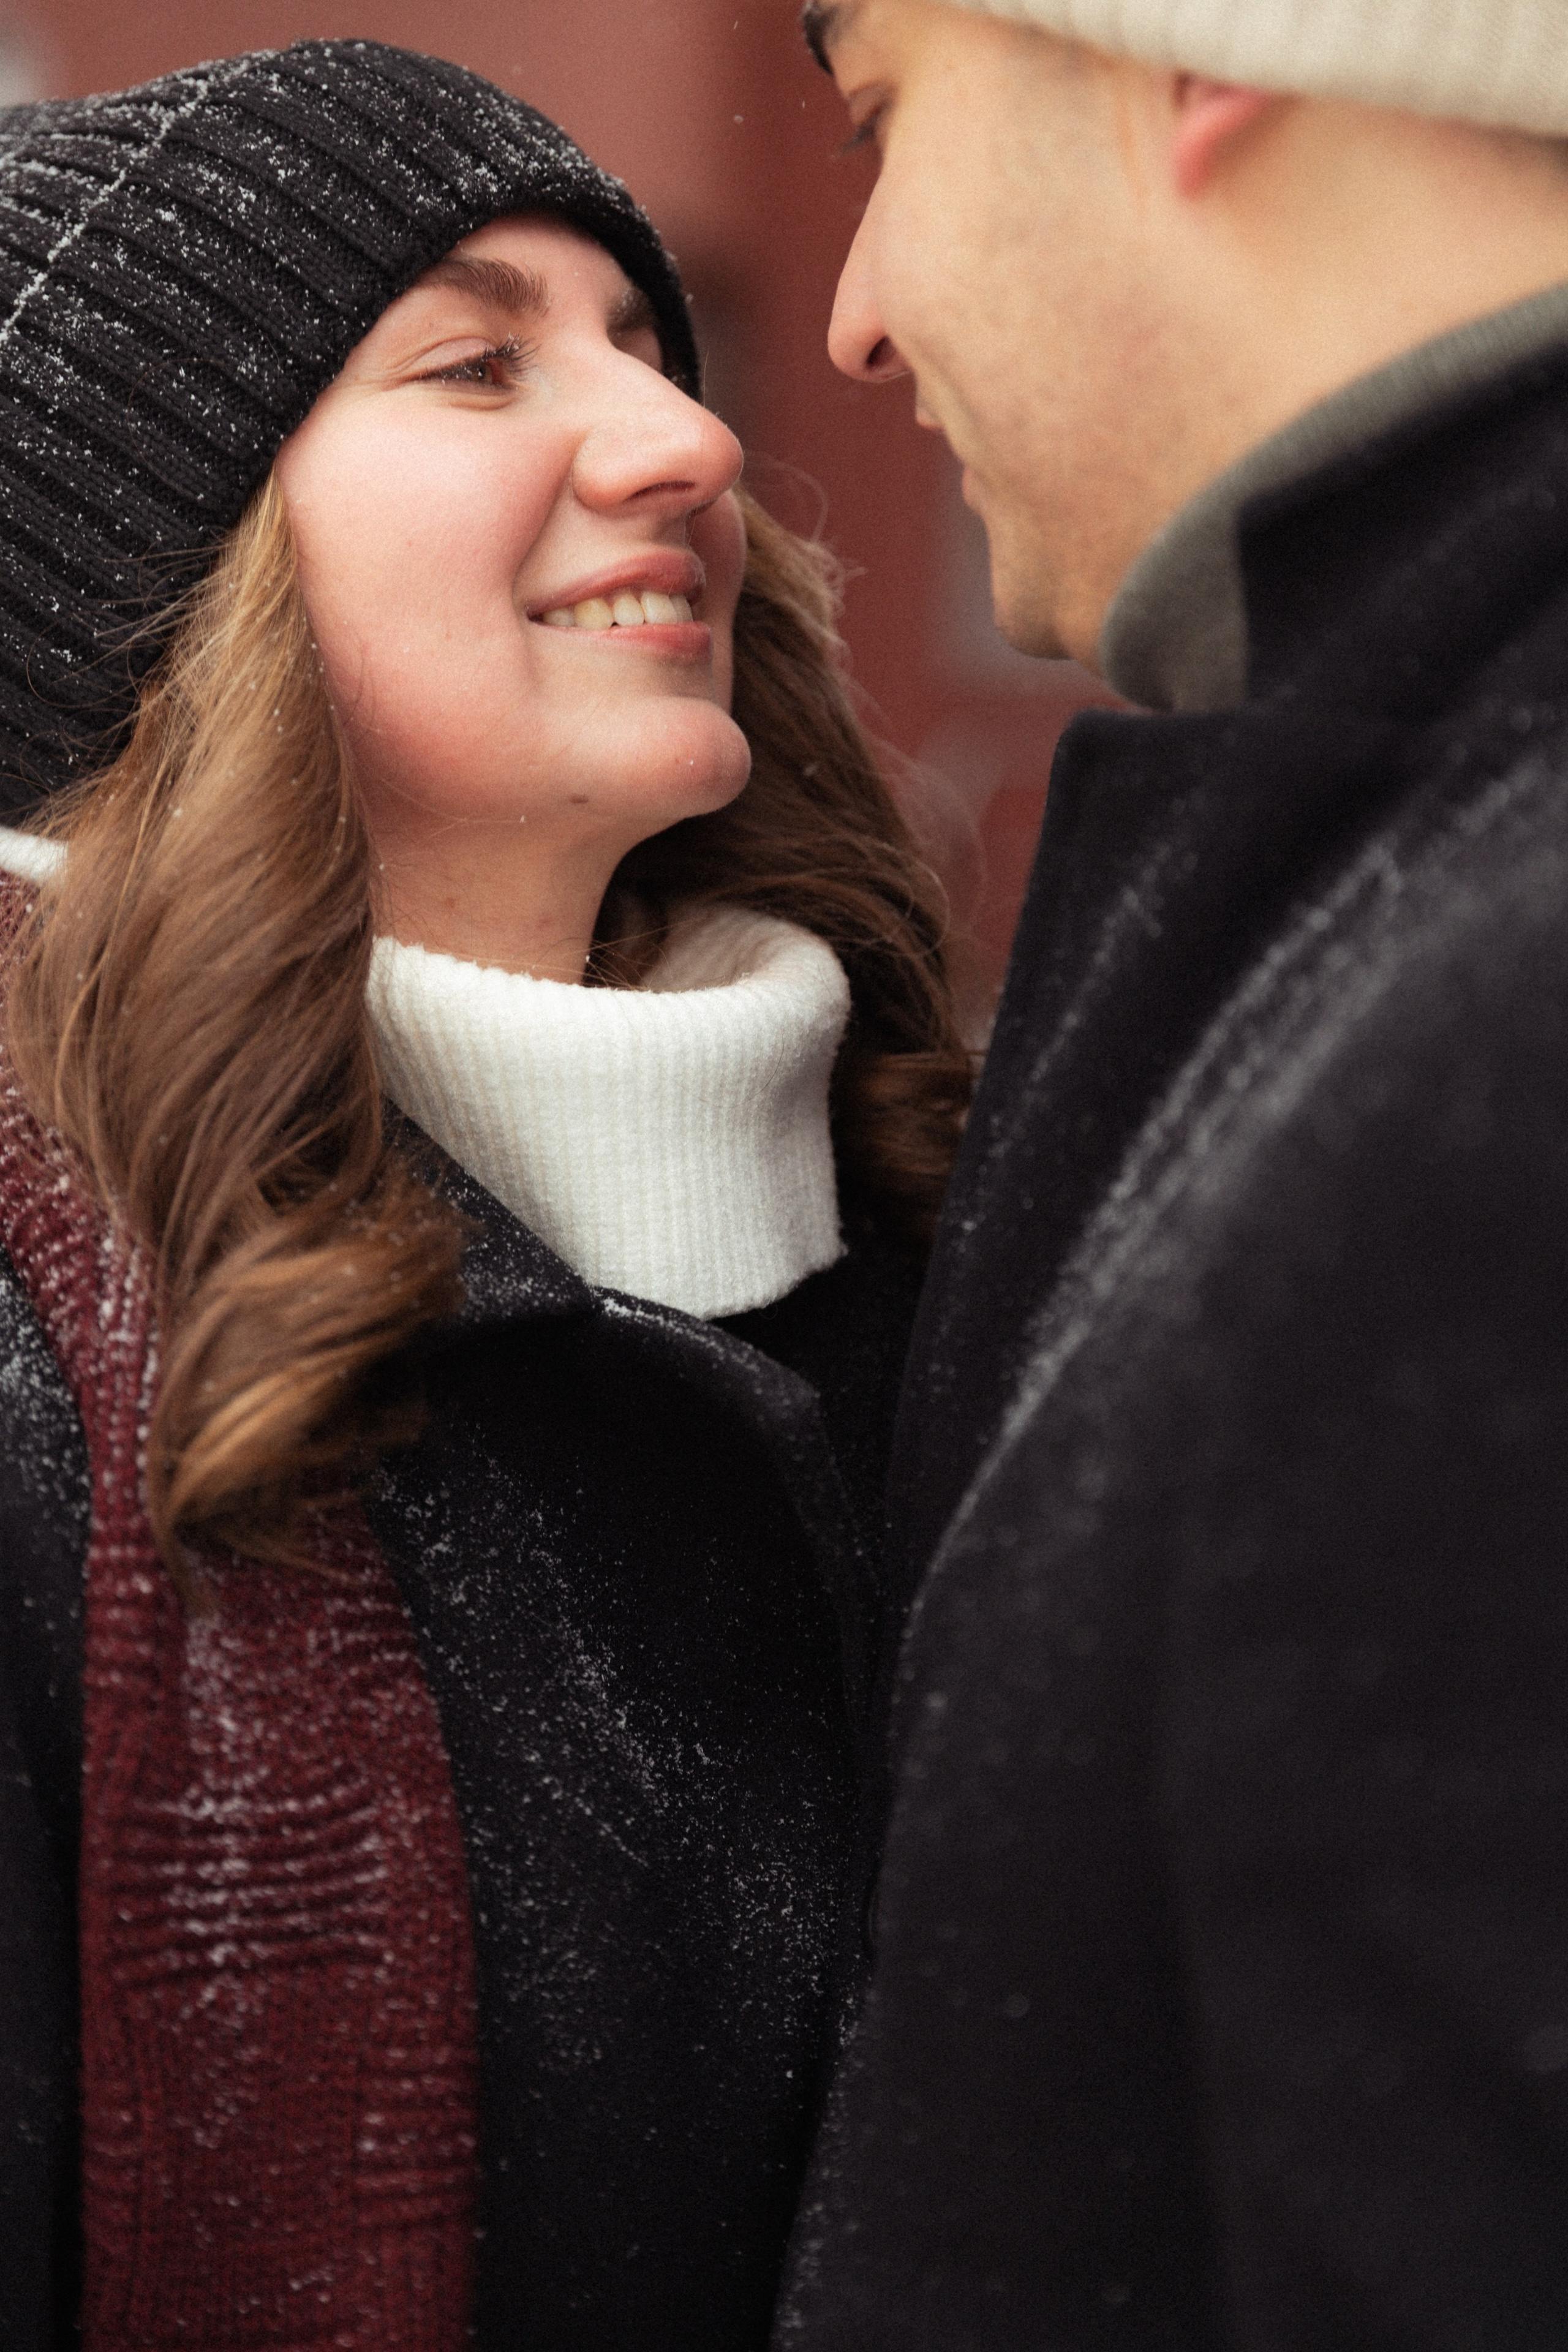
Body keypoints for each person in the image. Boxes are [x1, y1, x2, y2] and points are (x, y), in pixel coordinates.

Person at [0, 39, 971, 2352]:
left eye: (644, 348)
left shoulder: (966, 1233)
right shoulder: (39, 1382)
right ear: (167, 574)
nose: (692, 440)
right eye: (472, 362)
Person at [777, 2, 1568, 2344]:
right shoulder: (1429, 904)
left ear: (1200, 64)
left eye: (886, 123)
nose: (854, 308)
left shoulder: (1495, 1054)